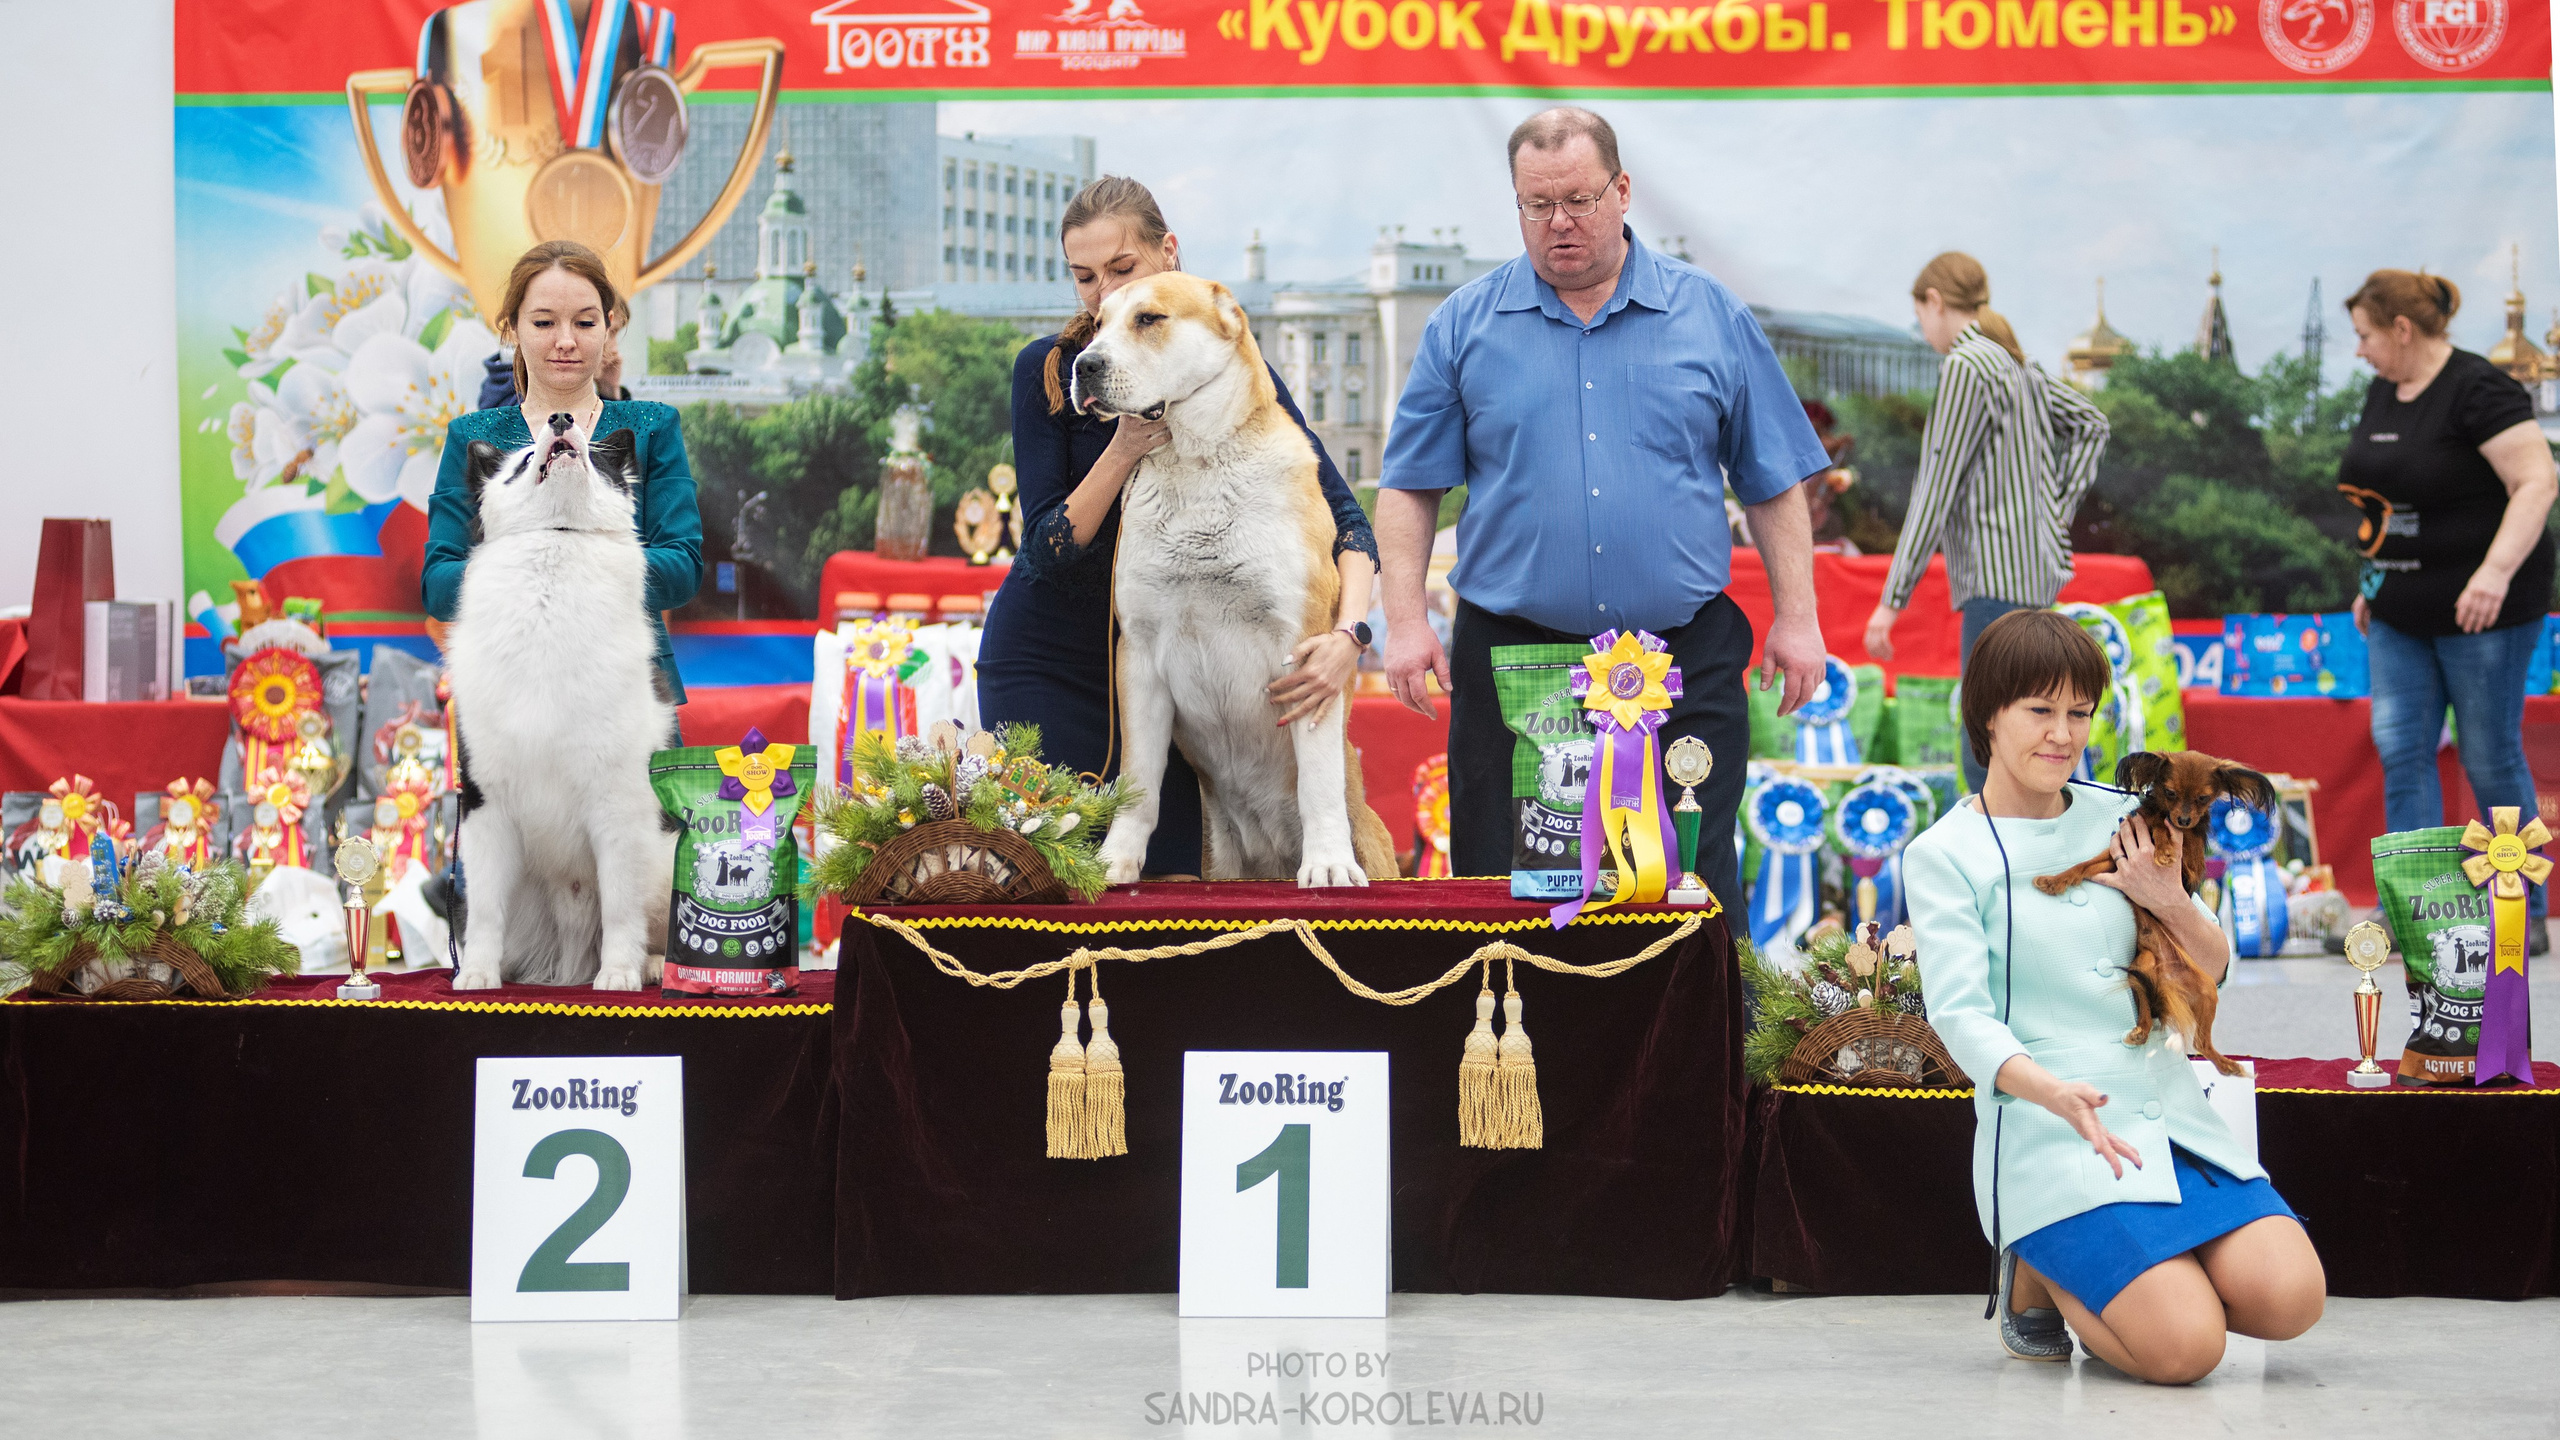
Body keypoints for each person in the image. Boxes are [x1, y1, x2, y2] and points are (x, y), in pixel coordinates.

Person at [1377, 107, 1830, 912]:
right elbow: (1410, 487)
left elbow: (1773, 480)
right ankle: (1507, 1041)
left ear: (1622, 192)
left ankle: (1691, 1042)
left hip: (1681, 660)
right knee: (1502, 894)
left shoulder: (1711, 316)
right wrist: (1406, 622)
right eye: (1536, 205)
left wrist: (1799, 618)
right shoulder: (1463, 326)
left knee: (1691, 894)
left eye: (1579, 200)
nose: (1559, 224)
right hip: (1512, 667)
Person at [1903, 609, 2324, 1382]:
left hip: (2166, 1110)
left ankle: (2154, 1264)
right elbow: (1960, 1016)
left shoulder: (2127, 812)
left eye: (2079, 713)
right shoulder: (1944, 855)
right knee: (2186, 1350)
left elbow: (2215, 966)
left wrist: (2169, 897)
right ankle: (2034, 1267)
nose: (2062, 734)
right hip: (2050, 1123)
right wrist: (2050, 1092)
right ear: (1986, 715)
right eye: (2039, 710)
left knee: (2292, 1299)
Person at [980, 176, 1379, 878]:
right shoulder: (1057, 368)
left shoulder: (1227, 360)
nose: (1103, 295)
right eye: (1085, 278)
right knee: (1053, 885)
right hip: (1053, 662)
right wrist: (1125, 445)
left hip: (1178, 679)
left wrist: (1348, 636)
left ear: (1170, 254)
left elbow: (1346, 519)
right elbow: (1045, 549)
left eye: (1122, 270)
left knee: (1174, 891)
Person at [2338, 269, 2558, 947]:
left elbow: (2537, 480)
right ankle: (2414, 905)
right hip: (2399, 609)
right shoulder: (2384, 388)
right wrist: (2374, 580)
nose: (2360, 350)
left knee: (2488, 753)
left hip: (2484, 610)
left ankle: (2520, 909)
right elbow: (2387, 499)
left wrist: (2493, 575)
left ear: (2402, 330)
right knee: (2402, 749)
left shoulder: (2478, 387)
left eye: (2366, 335)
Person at [1863, 253, 2110, 793]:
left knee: (1989, 735)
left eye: (1920, 315)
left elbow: (1936, 484)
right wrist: (2054, 512)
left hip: (1994, 580)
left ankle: (1988, 866)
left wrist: (1891, 599)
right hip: (2032, 575)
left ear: (1934, 301)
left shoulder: (1967, 365)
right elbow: (2092, 423)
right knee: (2027, 729)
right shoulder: (2015, 365)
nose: (1923, 330)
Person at [425, 241, 703, 706]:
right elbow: (438, 585)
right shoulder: (473, 438)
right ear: (512, 327)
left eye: (585, 322)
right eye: (544, 322)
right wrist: (557, 564)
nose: (566, 340)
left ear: (608, 325)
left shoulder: (651, 427)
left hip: (629, 697)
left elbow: (683, 569)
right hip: (509, 702)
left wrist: (558, 563)